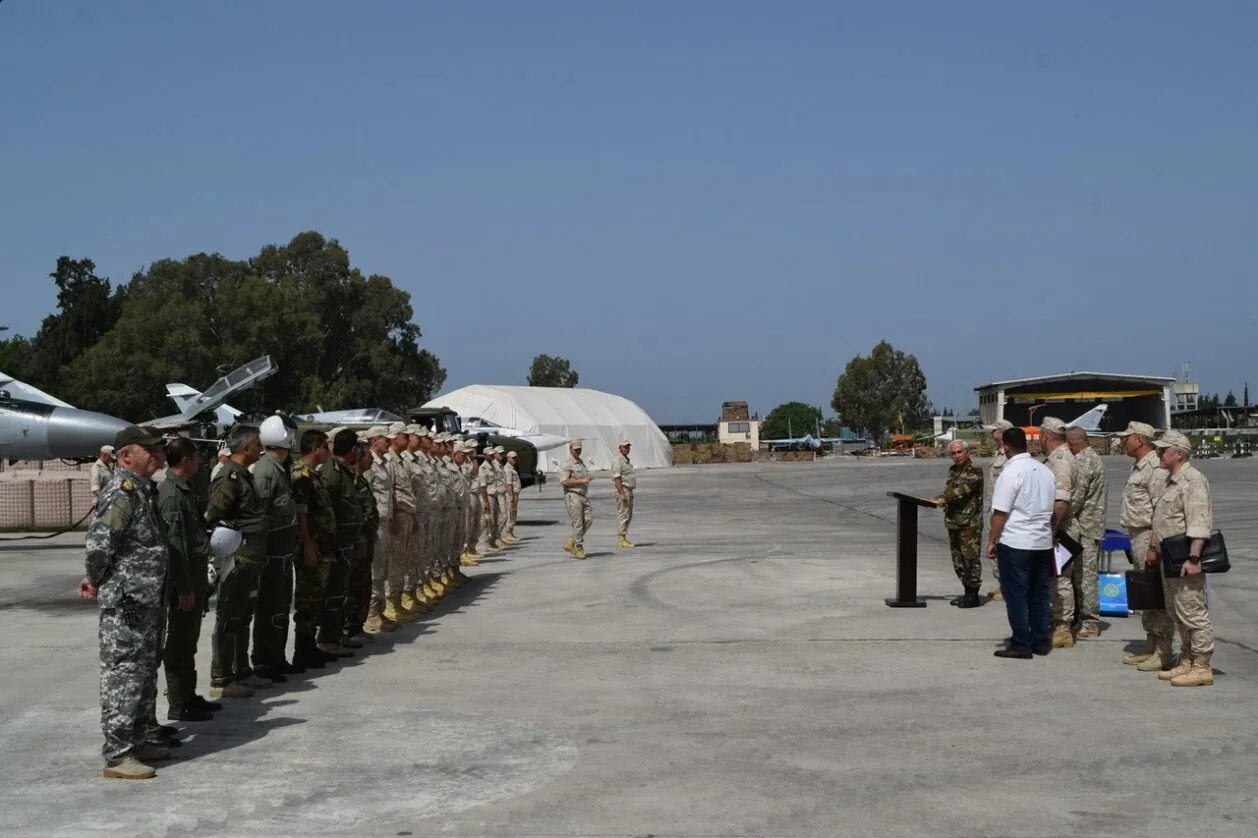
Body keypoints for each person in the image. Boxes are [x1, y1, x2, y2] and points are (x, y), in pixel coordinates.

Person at [84, 426, 170, 779]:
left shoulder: (141, 491)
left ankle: (136, 741)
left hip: (143, 599)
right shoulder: (121, 492)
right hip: (126, 602)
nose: (157, 455)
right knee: (124, 673)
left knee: (144, 670)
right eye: (150, 449)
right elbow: (100, 546)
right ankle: (118, 756)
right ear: (126, 455)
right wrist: (99, 580)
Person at [205, 425, 270, 697]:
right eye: (257, 445)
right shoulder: (230, 477)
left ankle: (241, 670)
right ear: (245, 448)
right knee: (229, 617)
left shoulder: (244, 475)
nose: (260, 449)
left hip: (249, 559)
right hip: (236, 559)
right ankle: (222, 679)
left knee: (243, 616)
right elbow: (213, 516)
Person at [157, 437, 218, 723]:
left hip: (193, 580)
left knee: (189, 641)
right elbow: (175, 545)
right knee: (179, 643)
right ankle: (178, 702)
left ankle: (188, 695)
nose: (199, 463)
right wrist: (183, 588)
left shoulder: (184, 490)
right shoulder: (171, 494)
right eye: (196, 458)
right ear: (185, 461)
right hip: (184, 584)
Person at [1148, 430, 1215, 687]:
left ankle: (1202, 666)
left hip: (1186, 558)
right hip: (1170, 558)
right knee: (1178, 612)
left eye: (1163, 450)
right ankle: (1186, 659)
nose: (1159, 454)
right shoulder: (1171, 480)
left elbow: (1199, 522)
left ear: (1179, 453)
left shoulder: (1192, 480)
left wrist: (1194, 558)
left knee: (1193, 612)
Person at [986, 427, 1056, 659]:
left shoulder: (1011, 471)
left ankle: (1021, 643)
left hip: (1017, 542)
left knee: (1016, 595)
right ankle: (1040, 641)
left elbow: (1000, 512)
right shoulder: (1045, 470)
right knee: (1039, 594)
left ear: (1005, 446)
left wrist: (992, 540)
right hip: (1042, 541)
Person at [1116, 421, 1174, 670]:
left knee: (1156, 594)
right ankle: (1151, 644)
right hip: (1137, 536)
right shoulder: (1139, 466)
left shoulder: (1155, 467)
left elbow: (1160, 511)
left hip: (1149, 536)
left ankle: (1164, 651)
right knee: (1145, 594)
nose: (1123, 441)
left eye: (1127, 437)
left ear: (1139, 440)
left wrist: (1154, 546)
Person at [249, 416, 302, 681]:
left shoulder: (279, 468)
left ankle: (277, 657)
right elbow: (260, 513)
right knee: (269, 608)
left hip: (282, 553)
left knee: (280, 607)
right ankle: (263, 660)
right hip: (270, 554)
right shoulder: (266, 471)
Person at [291, 429, 339, 667]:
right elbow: (301, 514)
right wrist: (308, 544)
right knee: (307, 600)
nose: (327, 450)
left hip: (321, 547)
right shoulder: (302, 474)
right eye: (324, 446)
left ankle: (309, 647)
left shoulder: (313, 474)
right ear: (314, 448)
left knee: (315, 598)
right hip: (311, 548)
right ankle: (303, 651)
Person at [317, 429, 365, 657]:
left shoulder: (344, 471)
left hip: (347, 542)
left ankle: (336, 634)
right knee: (333, 593)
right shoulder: (331, 472)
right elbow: (325, 508)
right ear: (353, 449)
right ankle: (327, 640)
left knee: (341, 592)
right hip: (336, 544)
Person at [1040, 416, 1079, 649]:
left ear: (1045, 436)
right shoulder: (1055, 458)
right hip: (1056, 527)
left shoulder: (1062, 460)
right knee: (1054, 578)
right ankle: (1058, 624)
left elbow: (1062, 500)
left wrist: (1051, 529)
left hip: (1060, 528)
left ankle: (1063, 627)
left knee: (1060, 579)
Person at [1065, 425, 1108, 639]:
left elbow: (1076, 497)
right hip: (1087, 526)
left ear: (1072, 443)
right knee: (1079, 575)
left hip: (1086, 528)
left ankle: (1090, 621)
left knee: (1086, 577)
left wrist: (1058, 516)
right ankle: (1080, 618)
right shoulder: (1092, 458)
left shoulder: (1084, 461)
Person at [935, 439, 984, 608]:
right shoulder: (953, 471)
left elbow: (961, 492)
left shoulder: (974, 470)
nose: (956, 456)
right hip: (953, 521)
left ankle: (973, 594)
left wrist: (941, 499)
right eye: (953, 453)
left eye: (959, 452)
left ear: (967, 452)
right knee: (958, 560)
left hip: (969, 523)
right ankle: (966, 592)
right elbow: (949, 491)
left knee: (970, 558)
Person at [362, 427, 398, 633]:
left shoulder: (383, 464)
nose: (388, 443)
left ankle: (379, 610)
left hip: (385, 521)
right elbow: (366, 493)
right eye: (386, 439)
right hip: (375, 523)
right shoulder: (369, 463)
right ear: (375, 440)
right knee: (375, 569)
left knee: (383, 567)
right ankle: (371, 613)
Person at [344, 442, 379, 646]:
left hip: (367, 538)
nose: (372, 459)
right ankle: (349, 627)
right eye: (368, 456)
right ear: (358, 458)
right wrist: (360, 538)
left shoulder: (361, 480)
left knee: (363, 583)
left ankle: (358, 625)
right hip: (358, 540)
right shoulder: (352, 481)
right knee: (354, 584)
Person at [983, 420, 1013, 600]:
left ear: (1002, 432)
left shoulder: (1009, 455)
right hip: (993, 507)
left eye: (994, 430)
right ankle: (1002, 584)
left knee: (1000, 547)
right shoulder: (998, 453)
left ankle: (1007, 586)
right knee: (995, 549)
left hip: (1002, 510)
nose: (992, 433)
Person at [559, 440, 594, 560]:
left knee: (588, 520)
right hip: (573, 495)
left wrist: (587, 478)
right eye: (576, 449)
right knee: (578, 522)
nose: (578, 451)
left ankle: (571, 541)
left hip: (583, 495)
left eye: (579, 449)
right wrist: (581, 481)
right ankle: (578, 547)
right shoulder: (566, 463)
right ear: (570, 449)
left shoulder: (580, 462)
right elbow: (564, 482)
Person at [611, 441, 637, 549]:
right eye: (624, 447)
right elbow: (617, 478)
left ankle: (623, 537)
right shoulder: (618, 461)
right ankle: (621, 539)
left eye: (628, 447)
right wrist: (622, 493)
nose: (627, 449)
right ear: (620, 448)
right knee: (623, 514)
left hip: (628, 490)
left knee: (628, 514)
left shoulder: (626, 460)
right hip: (623, 489)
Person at [503, 449, 522, 542]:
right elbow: (509, 483)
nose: (515, 459)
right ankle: (508, 533)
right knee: (510, 513)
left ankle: (511, 532)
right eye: (513, 458)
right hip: (511, 494)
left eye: (515, 458)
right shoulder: (507, 469)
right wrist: (511, 496)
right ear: (508, 458)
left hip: (515, 494)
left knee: (513, 513)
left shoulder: (512, 468)